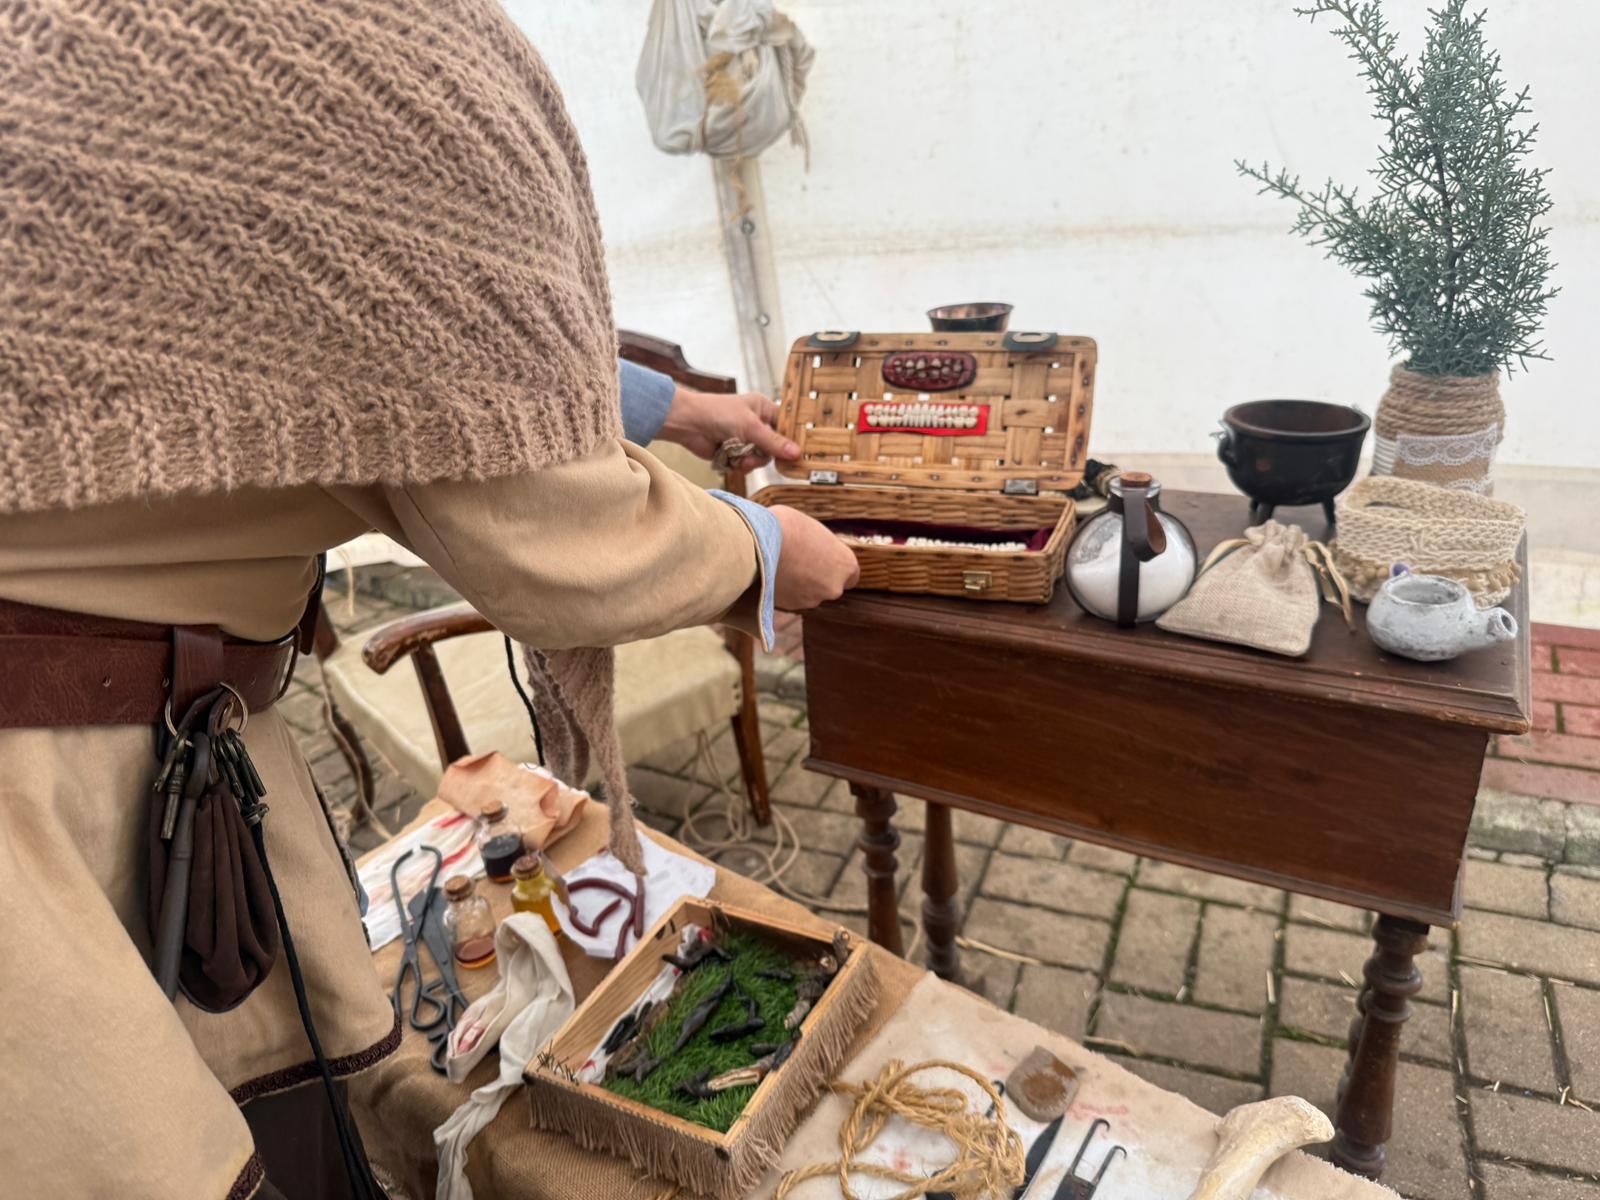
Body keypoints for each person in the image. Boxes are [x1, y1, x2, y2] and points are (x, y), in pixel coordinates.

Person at [0, 3, 858, 1197]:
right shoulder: (362, 42)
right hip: (46, 798)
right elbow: (555, 545)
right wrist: (763, 551)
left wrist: (667, 410)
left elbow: (360, 307)